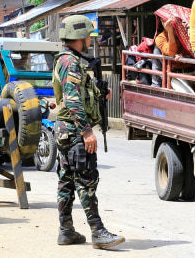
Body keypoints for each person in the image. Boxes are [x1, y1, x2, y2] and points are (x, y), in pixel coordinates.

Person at [52, 15, 125, 250]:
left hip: (66, 130)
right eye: (88, 37)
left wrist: (101, 94)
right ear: (80, 37)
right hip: (74, 131)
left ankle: (67, 231)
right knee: (86, 180)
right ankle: (98, 232)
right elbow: (72, 100)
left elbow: (80, 94)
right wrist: (86, 132)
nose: (90, 41)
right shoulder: (70, 62)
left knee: (66, 181)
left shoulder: (72, 61)